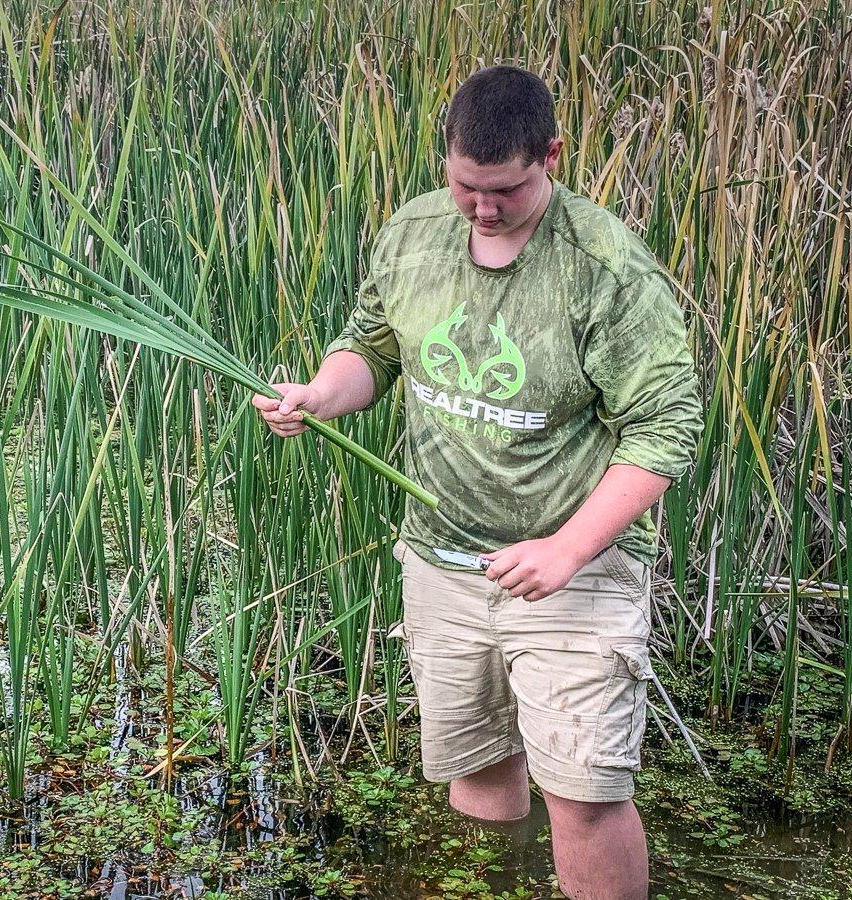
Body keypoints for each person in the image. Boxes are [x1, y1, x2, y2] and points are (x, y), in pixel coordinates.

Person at [252, 65, 702, 899]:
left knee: (586, 794)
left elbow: (667, 428)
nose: (482, 209)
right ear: (448, 161)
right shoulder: (415, 234)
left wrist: (566, 550)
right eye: (465, 186)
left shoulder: (605, 267)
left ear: (552, 157)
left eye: (505, 190)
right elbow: (373, 346)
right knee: (479, 770)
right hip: (442, 563)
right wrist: (319, 394)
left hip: (576, 574)